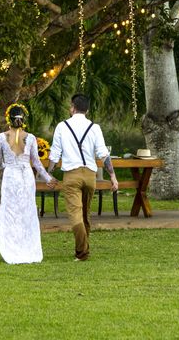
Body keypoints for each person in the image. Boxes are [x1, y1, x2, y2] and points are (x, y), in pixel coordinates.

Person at [47, 93, 118, 261]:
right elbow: (104, 155)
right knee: (86, 214)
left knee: (75, 216)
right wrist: (113, 176)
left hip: (71, 176)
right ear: (87, 109)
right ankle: (84, 249)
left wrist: (49, 174)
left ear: (72, 107)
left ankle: (82, 253)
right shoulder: (94, 127)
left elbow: (55, 155)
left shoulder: (62, 127)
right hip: (90, 175)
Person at [0, 103, 54, 264]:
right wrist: (48, 178)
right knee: (26, 211)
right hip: (27, 177)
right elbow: (36, 162)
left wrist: (6, 167)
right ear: (23, 119)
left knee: (10, 212)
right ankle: (28, 247)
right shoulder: (31, 138)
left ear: (8, 118)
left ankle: (12, 247)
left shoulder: (1, 137)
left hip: (11, 176)